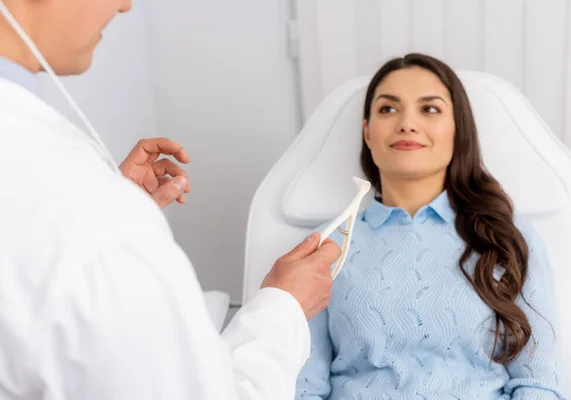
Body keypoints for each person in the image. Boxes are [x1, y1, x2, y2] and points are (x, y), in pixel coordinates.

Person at [0, 0, 341, 399]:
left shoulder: (71, 200)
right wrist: (285, 309)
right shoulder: (90, 219)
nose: (126, 6)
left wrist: (116, 208)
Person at [295, 54, 565, 399]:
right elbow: (304, 388)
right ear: (367, 131)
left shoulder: (507, 238)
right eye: (388, 109)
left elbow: (538, 383)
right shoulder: (326, 247)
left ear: (458, 130)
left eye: (430, 109)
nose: (407, 123)